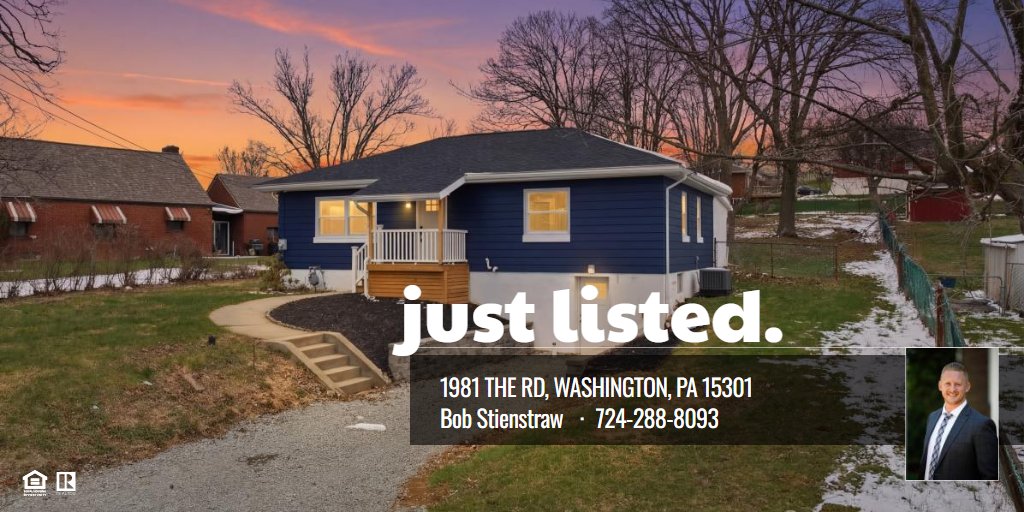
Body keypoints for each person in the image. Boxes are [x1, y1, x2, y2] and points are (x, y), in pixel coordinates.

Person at [920, 362, 998, 480]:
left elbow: (990, 478)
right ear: (940, 385)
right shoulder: (932, 417)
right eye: (948, 383)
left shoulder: (982, 425)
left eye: (958, 384)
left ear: (967, 386)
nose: (952, 389)